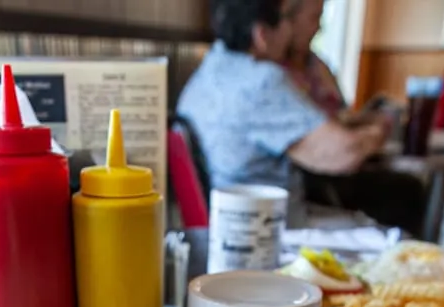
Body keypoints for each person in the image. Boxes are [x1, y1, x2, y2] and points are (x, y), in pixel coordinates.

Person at [177, 0, 424, 232]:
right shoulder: (261, 81)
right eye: (286, 19)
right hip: (273, 229)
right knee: (392, 229)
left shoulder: (209, 70)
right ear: (262, 35)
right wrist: (379, 131)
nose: (290, 29)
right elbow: (344, 154)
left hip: (228, 224)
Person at [282, 0, 429, 230]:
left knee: (404, 186)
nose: (318, 27)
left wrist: (369, 121)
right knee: (404, 191)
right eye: (313, 18)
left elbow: (341, 114)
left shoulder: (316, 63)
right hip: (312, 176)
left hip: (341, 156)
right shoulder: (273, 75)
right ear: (289, 21)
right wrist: (370, 132)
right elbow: (329, 145)